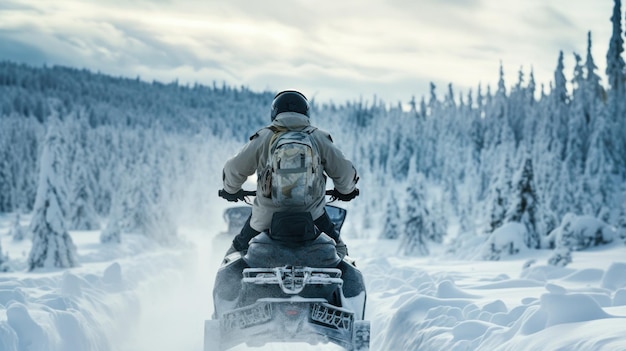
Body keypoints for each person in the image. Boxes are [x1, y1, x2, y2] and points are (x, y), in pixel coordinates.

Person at [221, 90, 359, 257]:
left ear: (275, 112)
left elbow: (234, 169)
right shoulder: (318, 137)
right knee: (340, 253)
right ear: (306, 113)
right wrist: (346, 191)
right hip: (313, 216)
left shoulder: (264, 136)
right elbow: (344, 173)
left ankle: (227, 282)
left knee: (235, 253)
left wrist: (231, 190)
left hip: (266, 218)